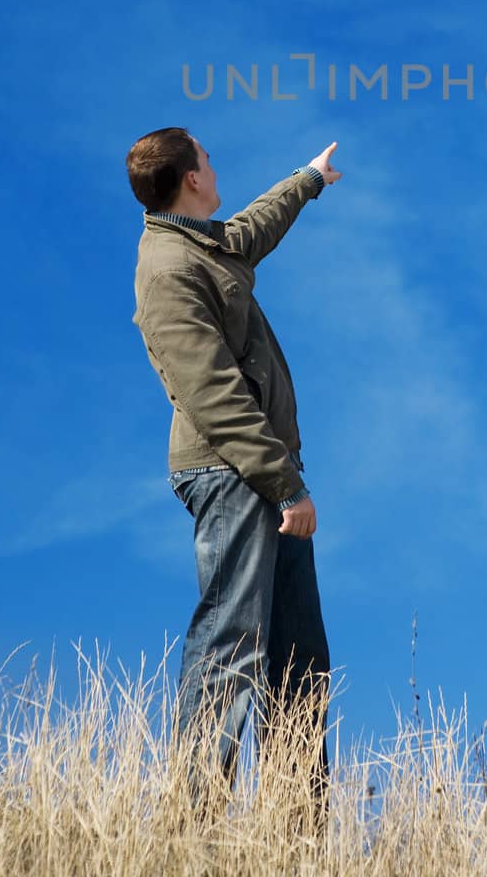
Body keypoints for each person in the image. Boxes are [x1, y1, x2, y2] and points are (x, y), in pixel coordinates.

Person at [125, 128, 342, 825]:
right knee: (231, 644)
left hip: (261, 471)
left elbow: (248, 230)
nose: (215, 166)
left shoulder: (199, 244)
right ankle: (193, 826)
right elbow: (212, 394)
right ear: (191, 178)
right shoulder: (164, 269)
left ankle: (294, 837)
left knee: (299, 662)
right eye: (208, 159)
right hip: (233, 473)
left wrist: (305, 180)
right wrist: (285, 484)